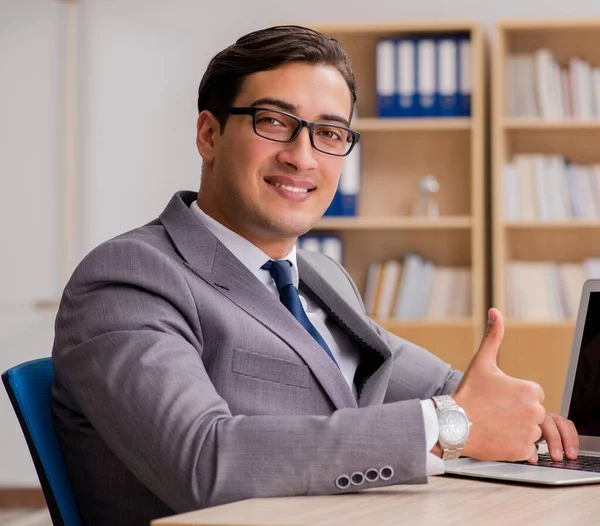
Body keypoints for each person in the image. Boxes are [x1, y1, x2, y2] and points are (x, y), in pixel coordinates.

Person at [51, 25, 579, 526]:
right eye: (275, 122)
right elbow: (203, 459)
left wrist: (527, 422)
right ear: (209, 134)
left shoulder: (319, 277)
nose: (302, 157)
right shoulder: (128, 278)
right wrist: (446, 427)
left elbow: (445, 388)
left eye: (329, 133)